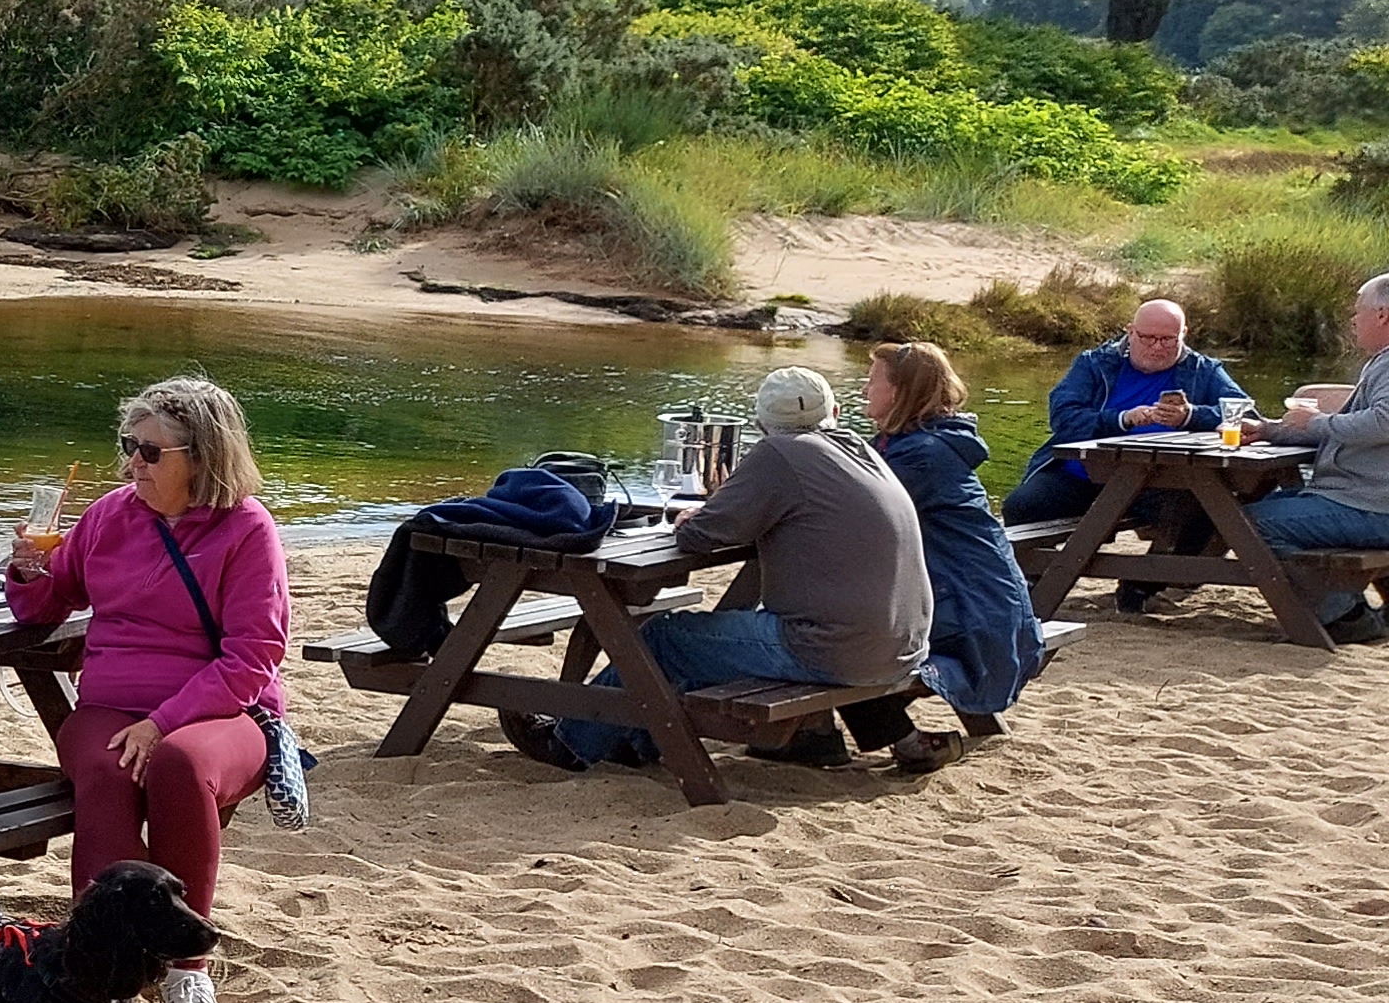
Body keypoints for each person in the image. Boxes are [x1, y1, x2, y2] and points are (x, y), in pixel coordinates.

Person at [0, 375, 283, 1003]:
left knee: (177, 764)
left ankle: (186, 968)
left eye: (151, 452)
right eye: (130, 445)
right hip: (110, 706)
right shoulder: (110, 513)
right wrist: (25, 570)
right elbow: (49, 602)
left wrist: (163, 722)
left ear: (203, 456)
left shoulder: (246, 530)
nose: (133, 462)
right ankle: (106, 966)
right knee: (104, 768)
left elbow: (253, 656)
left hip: (220, 711)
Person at [518, 367, 928, 771]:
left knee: (666, 636)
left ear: (761, 424)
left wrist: (691, 519)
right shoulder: (860, 449)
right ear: (834, 414)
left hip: (832, 648)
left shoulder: (780, 453)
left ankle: (568, 743)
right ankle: (634, 739)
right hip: (902, 644)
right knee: (705, 641)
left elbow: (701, 536)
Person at [842, 340, 1042, 768]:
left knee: (835, 634)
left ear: (898, 392)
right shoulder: (924, 444)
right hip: (982, 602)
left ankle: (887, 737)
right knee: (831, 619)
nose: (863, 390)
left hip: (974, 615)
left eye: (871, 380)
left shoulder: (919, 457)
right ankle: (812, 733)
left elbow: (842, 515)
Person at [1003, 296, 1250, 606]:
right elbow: (1064, 418)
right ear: (1130, 332)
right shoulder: (1094, 363)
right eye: (1148, 338)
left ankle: (1142, 587)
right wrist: (1121, 419)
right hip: (1081, 476)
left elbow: (1246, 415)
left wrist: (1191, 416)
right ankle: (1033, 581)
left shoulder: (1203, 369)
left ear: (1184, 335)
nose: (1157, 347)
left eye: (1168, 339)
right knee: (1022, 506)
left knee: (1212, 508)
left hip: (1163, 481)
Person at [1238, 270, 1389, 644]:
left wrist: (1319, 421)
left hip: (1372, 507)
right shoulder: (1380, 362)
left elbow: (1385, 422)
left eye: (1358, 312)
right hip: (1365, 498)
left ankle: (1345, 613)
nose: (1353, 320)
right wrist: (1272, 430)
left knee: (1247, 524)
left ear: (1383, 315)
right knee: (1260, 503)